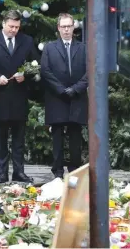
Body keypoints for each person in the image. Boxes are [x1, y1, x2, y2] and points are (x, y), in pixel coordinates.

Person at [0, 10, 39, 183]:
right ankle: (2, 172)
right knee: (0, 138)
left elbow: (35, 64)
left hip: (19, 96)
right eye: (11, 26)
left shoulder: (27, 41)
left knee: (19, 139)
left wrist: (26, 75)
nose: (14, 30)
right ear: (3, 23)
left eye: (17, 27)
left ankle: (19, 172)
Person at [40, 13, 88, 179]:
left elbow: (90, 72)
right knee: (57, 138)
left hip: (77, 98)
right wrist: (61, 90)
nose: (66, 30)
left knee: (76, 137)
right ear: (58, 28)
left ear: (74, 27)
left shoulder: (83, 47)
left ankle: (75, 171)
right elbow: (45, 71)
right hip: (56, 98)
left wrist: (75, 89)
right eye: (63, 26)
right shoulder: (49, 48)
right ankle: (58, 172)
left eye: (69, 26)